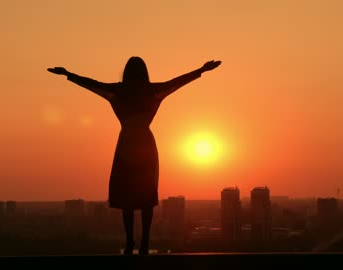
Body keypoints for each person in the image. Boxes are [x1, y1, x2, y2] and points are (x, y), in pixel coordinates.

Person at [47, 57, 221, 255]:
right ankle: (145, 243)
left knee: (126, 199)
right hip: (146, 146)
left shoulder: (119, 91)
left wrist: (68, 74)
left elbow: (92, 85)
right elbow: (178, 82)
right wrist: (201, 69)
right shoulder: (152, 91)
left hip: (126, 146)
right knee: (146, 197)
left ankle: (130, 242)